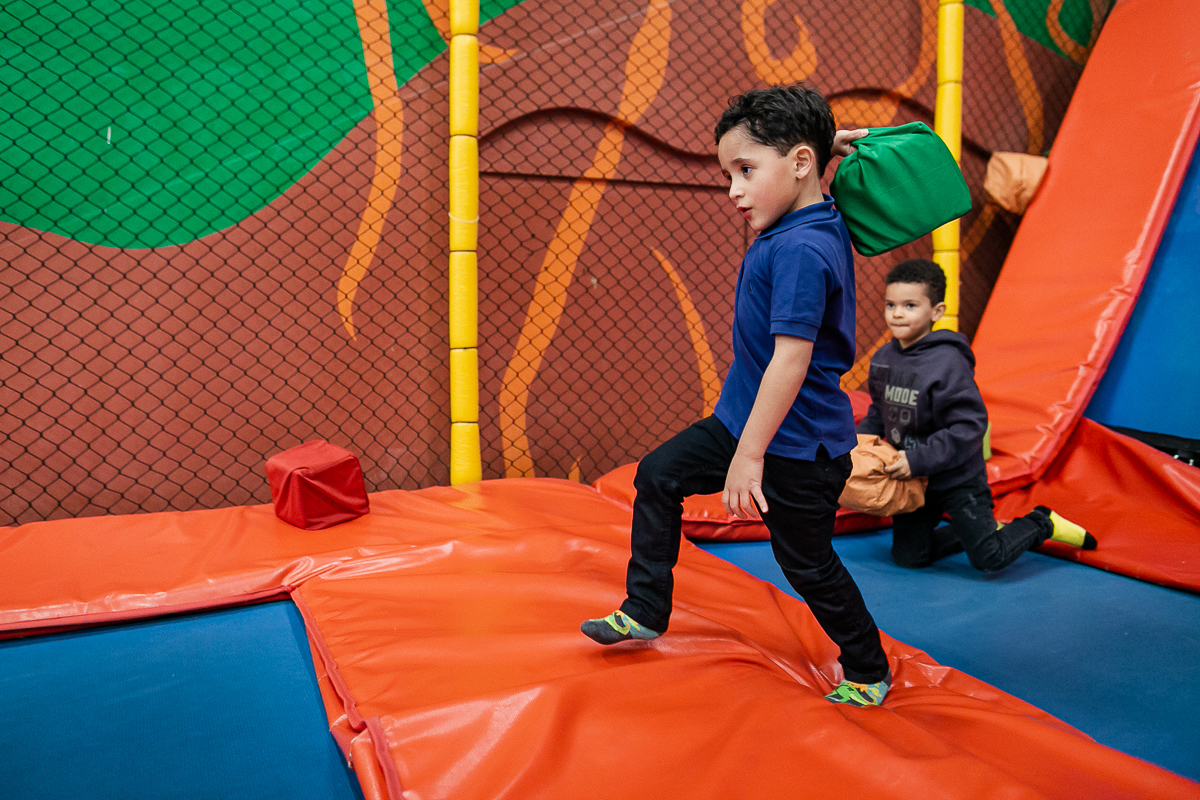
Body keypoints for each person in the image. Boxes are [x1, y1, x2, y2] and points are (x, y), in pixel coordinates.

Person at [581, 85, 893, 708]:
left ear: (798, 165)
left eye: (745, 171)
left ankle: (869, 666)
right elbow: (798, 169)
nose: (733, 190)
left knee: (805, 564)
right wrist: (822, 147)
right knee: (660, 476)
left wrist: (748, 456)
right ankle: (645, 609)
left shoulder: (803, 247)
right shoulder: (803, 212)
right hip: (747, 419)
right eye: (729, 173)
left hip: (797, 446)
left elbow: (792, 357)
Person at [858, 258, 1096, 571]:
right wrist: (860, 444)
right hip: (914, 479)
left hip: (957, 478)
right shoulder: (884, 359)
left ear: (937, 311)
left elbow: (968, 428)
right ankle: (970, 533)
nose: (897, 313)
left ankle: (1042, 522)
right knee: (908, 557)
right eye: (891, 304)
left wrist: (916, 459)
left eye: (910, 305)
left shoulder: (947, 363)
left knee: (989, 557)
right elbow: (880, 409)